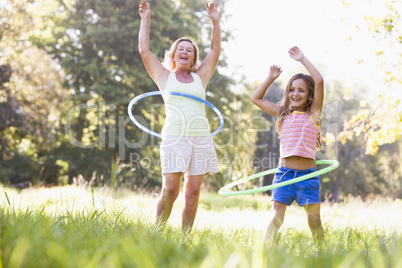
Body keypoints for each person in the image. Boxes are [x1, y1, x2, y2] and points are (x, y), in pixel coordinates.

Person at [138, 0, 221, 232]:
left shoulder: (200, 77)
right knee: (171, 190)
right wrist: (145, 20)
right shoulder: (164, 76)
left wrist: (215, 22)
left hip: (201, 137)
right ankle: (157, 233)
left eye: (190, 50)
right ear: (174, 55)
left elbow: (215, 51)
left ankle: (185, 238)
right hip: (175, 137)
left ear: (193, 57)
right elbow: (144, 51)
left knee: (193, 192)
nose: (185, 51)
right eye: (181, 49)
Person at [251, 46, 325, 242]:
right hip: (284, 174)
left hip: (308, 176)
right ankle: (265, 250)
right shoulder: (282, 114)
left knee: (314, 219)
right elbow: (255, 98)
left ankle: (322, 252)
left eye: (301, 90)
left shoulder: (313, 115)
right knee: (276, 217)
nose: (295, 94)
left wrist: (303, 59)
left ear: (310, 95)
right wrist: (270, 78)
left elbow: (319, 81)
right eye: (291, 90)